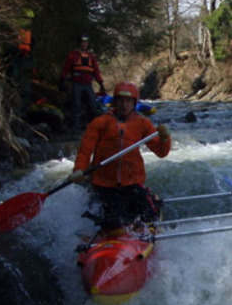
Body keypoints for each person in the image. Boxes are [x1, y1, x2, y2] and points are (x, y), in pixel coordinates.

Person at [69, 82, 171, 230]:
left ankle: (146, 225)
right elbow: (85, 151)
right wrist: (79, 169)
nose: (124, 105)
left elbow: (161, 152)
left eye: (128, 101)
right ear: (115, 101)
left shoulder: (143, 123)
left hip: (132, 183)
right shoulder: (100, 123)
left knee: (150, 215)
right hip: (104, 185)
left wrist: (165, 138)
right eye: (121, 100)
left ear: (134, 103)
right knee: (113, 223)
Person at [61, 34, 106, 132]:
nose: (84, 44)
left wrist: (101, 84)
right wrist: (63, 80)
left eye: (86, 42)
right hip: (76, 83)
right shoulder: (73, 55)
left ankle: (92, 127)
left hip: (87, 84)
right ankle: (75, 128)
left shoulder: (91, 57)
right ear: (79, 43)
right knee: (76, 105)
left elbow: (96, 71)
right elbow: (66, 69)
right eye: (82, 42)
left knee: (93, 105)